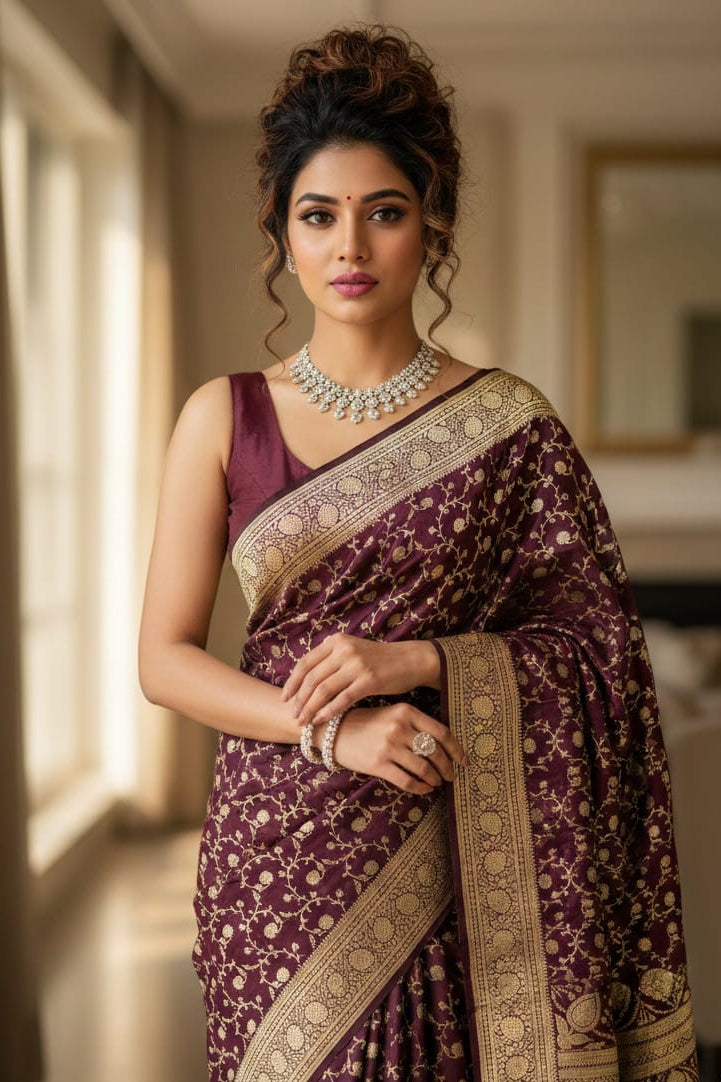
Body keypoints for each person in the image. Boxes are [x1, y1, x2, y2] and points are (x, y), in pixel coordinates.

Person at [138, 25, 698, 1082]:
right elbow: (163, 659)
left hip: (457, 847)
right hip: (279, 855)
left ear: (429, 227)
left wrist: (427, 659)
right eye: (319, 216)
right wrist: (331, 735)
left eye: (382, 213)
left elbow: (600, 652)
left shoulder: (510, 426)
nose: (349, 247)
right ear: (283, 235)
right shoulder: (224, 415)